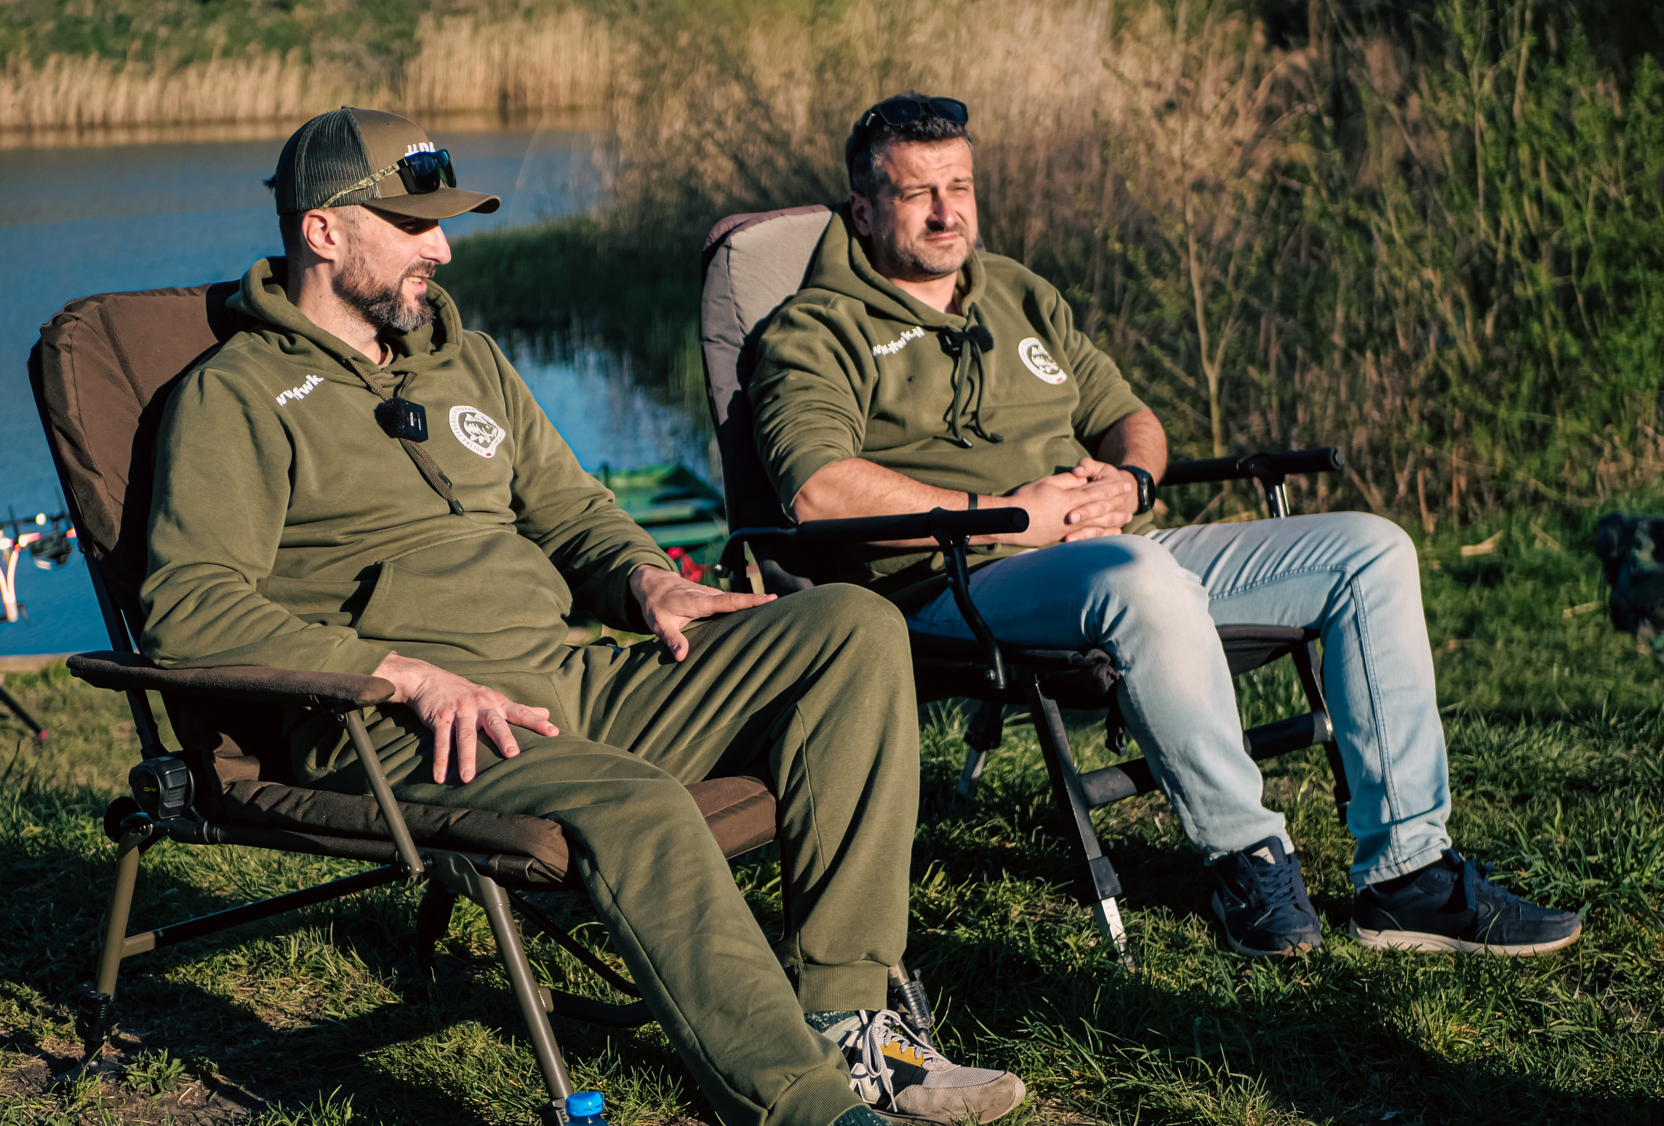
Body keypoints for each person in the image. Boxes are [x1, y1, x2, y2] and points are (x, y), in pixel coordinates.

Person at [137, 105, 1027, 1126]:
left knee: (852, 627)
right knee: (637, 799)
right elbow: (188, 607)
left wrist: (646, 580)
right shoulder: (236, 396)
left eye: (443, 223)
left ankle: (850, 1016)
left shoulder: (467, 361)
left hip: (566, 683)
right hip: (405, 728)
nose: (442, 248)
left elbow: (570, 509)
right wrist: (401, 673)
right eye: (414, 224)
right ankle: (805, 1104)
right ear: (323, 232)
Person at [746, 92, 1584, 960]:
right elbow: (818, 491)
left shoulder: (1021, 295)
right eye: (918, 192)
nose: (946, 211)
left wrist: (1132, 478)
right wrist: (1013, 517)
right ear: (864, 210)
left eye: (959, 186)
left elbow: (1130, 418)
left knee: (1371, 549)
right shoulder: (817, 328)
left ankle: (1410, 875)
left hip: (1106, 550)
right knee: (1140, 580)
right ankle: (1248, 859)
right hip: (956, 581)